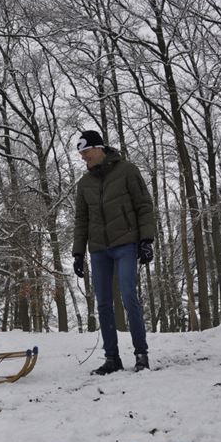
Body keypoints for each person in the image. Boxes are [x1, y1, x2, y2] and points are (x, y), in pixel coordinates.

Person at [72, 130, 156, 375]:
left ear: (99, 148)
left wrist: (146, 240)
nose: (84, 158)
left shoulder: (127, 170)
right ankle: (112, 358)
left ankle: (141, 354)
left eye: (86, 152)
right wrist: (78, 253)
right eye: (81, 154)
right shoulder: (84, 184)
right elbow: (81, 220)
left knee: (129, 296)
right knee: (104, 304)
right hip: (98, 250)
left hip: (126, 244)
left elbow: (144, 205)